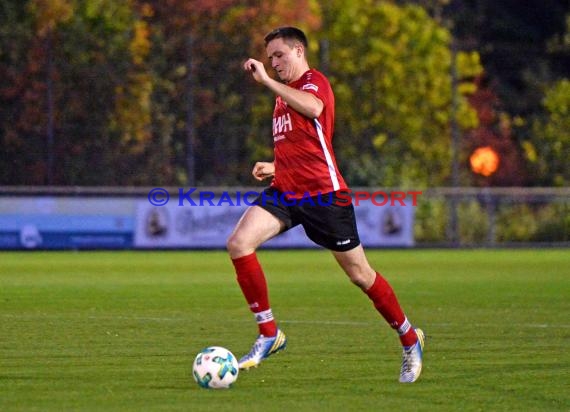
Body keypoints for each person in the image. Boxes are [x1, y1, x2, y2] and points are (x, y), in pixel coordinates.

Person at [227, 27, 425, 383]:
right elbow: (304, 146)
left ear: (299, 51)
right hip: (286, 191)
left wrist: (269, 84)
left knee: (360, 275)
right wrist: (274, 166)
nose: (273, 64)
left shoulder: (313, 83)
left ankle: (410, 339)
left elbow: (315, 108)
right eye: (270, 58)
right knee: (239, 243)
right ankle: (269, 333)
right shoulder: (283, 97)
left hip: (324, 196)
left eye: (279, 56)